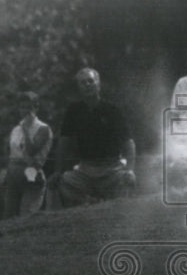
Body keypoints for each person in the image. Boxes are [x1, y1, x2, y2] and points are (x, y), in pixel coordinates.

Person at [48, 67, 136, 207]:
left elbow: (129, 143)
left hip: (112, 169)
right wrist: (58, 171)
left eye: (90, 81)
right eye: (83, 83)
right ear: (79, 87)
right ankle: (88, 203)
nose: (87, 85)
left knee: (125, 180)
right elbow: (63, 143)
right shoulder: (73, 111)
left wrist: (130, 169)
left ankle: (114, 209)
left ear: (98, 84)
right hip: (85, 170)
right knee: (63, 181)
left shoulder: (112, 110)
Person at [1, 91, 53, 218]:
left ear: (36, 108)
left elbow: (31, 151)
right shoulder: (16, 129)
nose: (24, 111)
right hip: (13, 173)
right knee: (8, 215)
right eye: (22, 107)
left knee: (26, 216)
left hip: (32, 173)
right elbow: (9, 153)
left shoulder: (43, 128)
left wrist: (26, 128)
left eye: (28, 108)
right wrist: (3, 173)